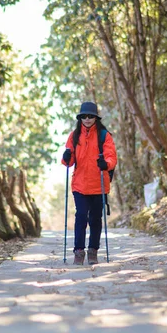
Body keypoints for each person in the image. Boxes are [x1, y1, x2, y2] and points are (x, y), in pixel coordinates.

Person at [62, 101, 117, 265]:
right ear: (80, 118)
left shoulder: (104, 135)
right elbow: (69, 160)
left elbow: (111, 157)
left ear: (95, 118)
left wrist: (105, 164)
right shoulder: (74, 135)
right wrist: (66, 157)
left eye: (90, 116)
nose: (87, 119)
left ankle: (93, 250)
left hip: (99, 184)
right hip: (79, 184)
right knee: (80, 216)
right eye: (84, 116)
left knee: (95, 219)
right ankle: (79, 251)